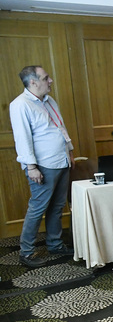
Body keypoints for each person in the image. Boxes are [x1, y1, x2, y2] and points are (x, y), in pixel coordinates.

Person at [10, 66, 75, 268]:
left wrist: (70, 151)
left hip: (61, 160)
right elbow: (22, 138)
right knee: (38, 209)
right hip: (43, 165)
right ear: (33, 82)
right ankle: (26, 253)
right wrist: (31, 167)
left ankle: (55, 245)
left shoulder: (49, 100)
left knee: (57, 207)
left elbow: (60, 127)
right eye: (46, 78)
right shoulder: (20, 105)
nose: (50, 81)